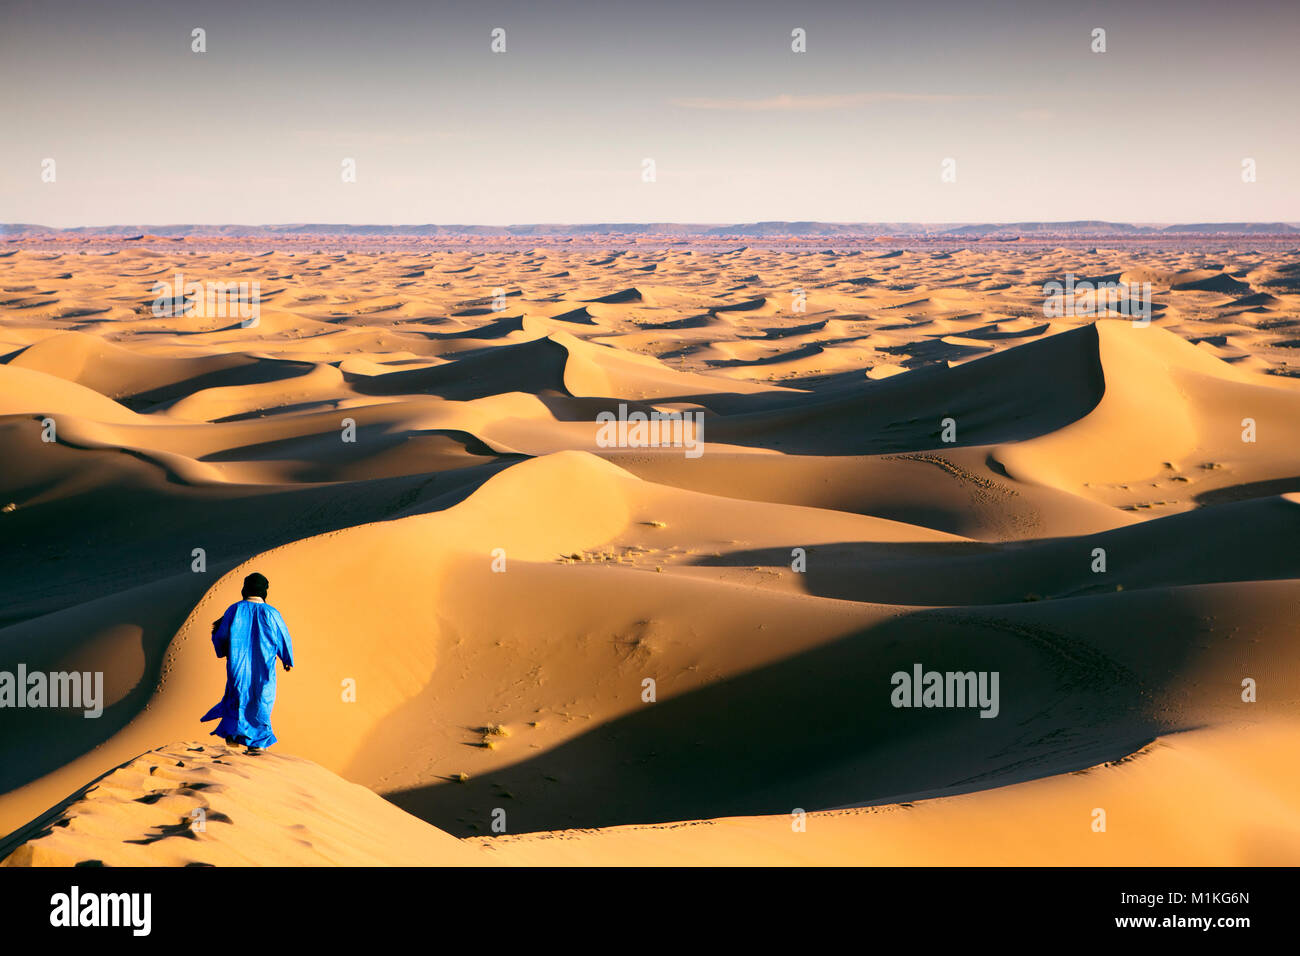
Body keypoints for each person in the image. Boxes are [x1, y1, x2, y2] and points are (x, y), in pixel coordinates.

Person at [200, 572, 294, 754]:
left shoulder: (234, 609)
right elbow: (284, 636)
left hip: (238, 665)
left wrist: (221, 650)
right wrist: (287, 659)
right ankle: (257, 742)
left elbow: (220, 634)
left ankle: (235, 735)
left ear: (245, 588)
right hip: (264, 668)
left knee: (238, 696)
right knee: (261, 700)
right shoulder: (271, 612)